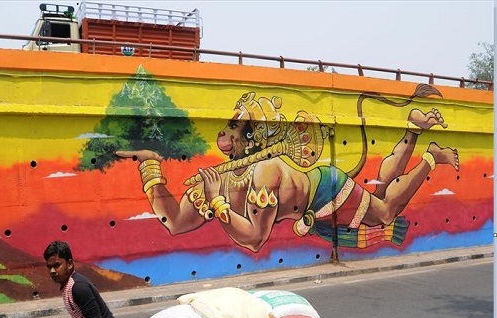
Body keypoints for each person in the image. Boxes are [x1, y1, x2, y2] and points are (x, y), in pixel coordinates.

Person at [116, 88, 458, 252]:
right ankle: (413, 132)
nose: (224, 131)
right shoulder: (221, 176)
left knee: (384, 211)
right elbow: (174, 223)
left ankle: (430, 156)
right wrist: (151, 165)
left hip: (325, 189)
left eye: (234, 125)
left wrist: (218, 203)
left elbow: (254, 240)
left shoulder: (265, 174)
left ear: (251, 139)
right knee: (380, 191)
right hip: (309, 199)